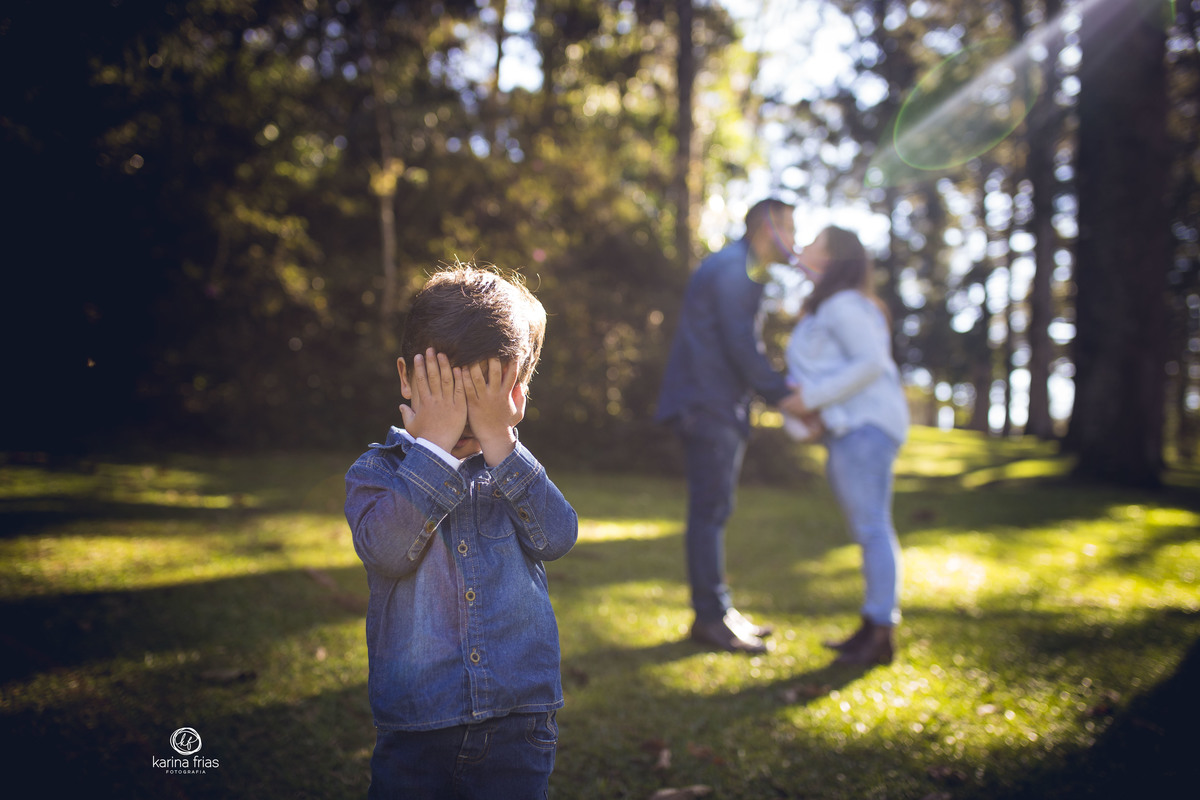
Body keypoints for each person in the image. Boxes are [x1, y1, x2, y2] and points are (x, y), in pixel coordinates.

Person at [345, 264, 578, 798]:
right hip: (417, 726)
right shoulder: (377, 472)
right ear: (408, 379)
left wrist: (501, 440)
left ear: (516, 392)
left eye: (484, 399)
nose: (466, 419)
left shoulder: (513, 473)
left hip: (520, 721)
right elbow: (386, 552)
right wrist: (432, 449)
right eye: (449, 396)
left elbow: (558, 537)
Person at [656, 198, 810, 655]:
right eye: (791, 229)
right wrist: (783, 394)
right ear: (769, 227)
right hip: (709, 405)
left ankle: (718, 610)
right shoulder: (733, 269)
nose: (796, 241)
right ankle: (710, 617)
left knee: (714, 510)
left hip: (713, 403)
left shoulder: (738, 267)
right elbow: (740, 343)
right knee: (710, 511)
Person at [783, 226, 910, 666]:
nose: (803, 247)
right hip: (853, 428)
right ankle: (873, 627)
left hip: (866, 428)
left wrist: (812, 400)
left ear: (833, 258)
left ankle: (880, 633)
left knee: (873, 528)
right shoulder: (831, 306)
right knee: (868, 528)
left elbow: (872, 363)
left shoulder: (842, 305)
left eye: (814, 243)